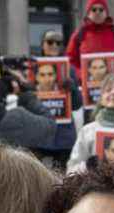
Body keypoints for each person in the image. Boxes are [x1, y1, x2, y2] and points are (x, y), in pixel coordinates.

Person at [34, 30, 83, 171]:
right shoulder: (32, 68)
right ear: (42, 44)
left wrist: (72, 89)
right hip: (38, 136)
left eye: (58, 43)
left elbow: (77, 105)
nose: (54, 45)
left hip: (63, 136)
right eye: (50, 42)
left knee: (62, 181)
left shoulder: (70, 70)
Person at [65, 0, 114, 81]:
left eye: (101, 9)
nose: (98, 12)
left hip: (112, 86)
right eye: (94, 9)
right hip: (86, 86)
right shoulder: (79, 34)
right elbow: (69, 60)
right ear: (88, 12)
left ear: (106, 13)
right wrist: (81, 75)